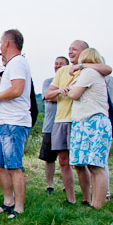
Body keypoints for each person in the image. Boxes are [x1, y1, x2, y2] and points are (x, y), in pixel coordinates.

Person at [44, 40, 111, 205]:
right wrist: (60, 90)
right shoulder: (67, 71)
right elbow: (48, 95)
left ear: (84, 53)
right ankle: (78, 200)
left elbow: (75, 94)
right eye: (69, 49)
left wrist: (79, 70)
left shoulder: (89, 72)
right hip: (74, 121)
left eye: (74, 49)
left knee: (92, 165)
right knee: (75, 162)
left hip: (88, 121)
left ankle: (92, 201)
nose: (70, 52)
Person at [0, 29, 32, 219]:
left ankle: (19, 208)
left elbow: (17, 89)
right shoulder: (12, 65)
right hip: (4, 122)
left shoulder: (19, 62)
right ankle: (8, 202)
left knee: (14, 166)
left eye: (0, 42)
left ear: (7, 43)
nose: (0, 46)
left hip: (15, 122)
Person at [63, 48, 112, 209]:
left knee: (96, 166)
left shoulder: (89, 73)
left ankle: (98, 204)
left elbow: (74, 94)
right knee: (92, 166)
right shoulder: (89, 73)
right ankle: (95, 203)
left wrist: (69, 91)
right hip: (86, 122)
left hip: (93, 123)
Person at [39, 57, 69, 193]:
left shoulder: (71, 81)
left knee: (67, 158)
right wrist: (65, 94)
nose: (57, 66)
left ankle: (67, 185)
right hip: (50, 125)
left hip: (66, 123)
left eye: (61, 64)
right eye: (56, 64)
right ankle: (49, 185)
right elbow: (49, 97)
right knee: (49, 158)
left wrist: (58, 95)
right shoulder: (48, 82)